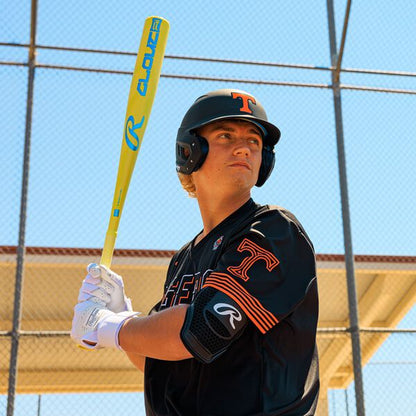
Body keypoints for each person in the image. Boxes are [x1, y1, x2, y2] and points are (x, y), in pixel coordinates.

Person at [71, 88, 320, 415]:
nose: (243, 147)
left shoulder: (273, 230)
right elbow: (160, 360)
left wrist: (111, 327)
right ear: (191, 151)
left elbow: (204, 330)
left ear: (265, 160)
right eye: (226, 135)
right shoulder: (183, 259)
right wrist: (122, 317)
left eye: (254, 141)